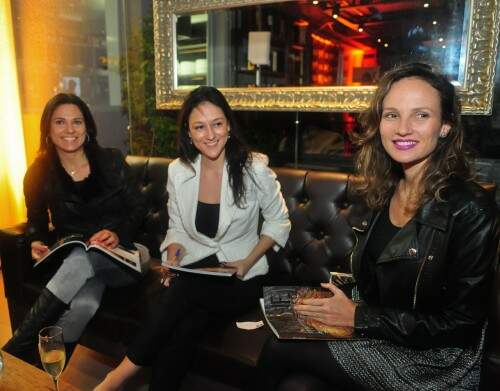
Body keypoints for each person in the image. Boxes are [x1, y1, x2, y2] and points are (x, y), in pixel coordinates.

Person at [258, 63, 500, 391]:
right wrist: (327, 304)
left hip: (434, 360)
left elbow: (461, 325)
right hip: (383, 330)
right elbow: (380, 279)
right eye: (391, 115)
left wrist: (357, 317)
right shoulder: (387, 188)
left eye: (421, 115)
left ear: (445, 126)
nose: (403, 128)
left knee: (278, 347)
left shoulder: (471, 209)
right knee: (297, 385)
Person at [94, 86, 291, 391]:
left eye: (217, 124)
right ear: (188, 132)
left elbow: (279, 222)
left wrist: (246, 261)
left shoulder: (253, 168)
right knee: (184, 326)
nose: (209, 134)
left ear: (229, 125)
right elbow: (177, 228)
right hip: (200, 270)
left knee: (181, 293)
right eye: (199, 126)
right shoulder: (179, 171)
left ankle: (115, 378)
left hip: (243, 277)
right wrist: (173, 256)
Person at [2, 93, 147, 363]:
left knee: (83, 258)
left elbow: (139, 208)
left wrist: (118, 234)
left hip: (126, 256)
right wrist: (35, 240)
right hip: (80, 260)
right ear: (48, 128)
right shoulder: (39, 173)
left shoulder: (111, 161)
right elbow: (35, 219)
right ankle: (45, 377)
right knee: (84, 305)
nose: (70, 130)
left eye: (77, 122)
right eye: (60, 122)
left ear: (87, 127)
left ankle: (12, 355)